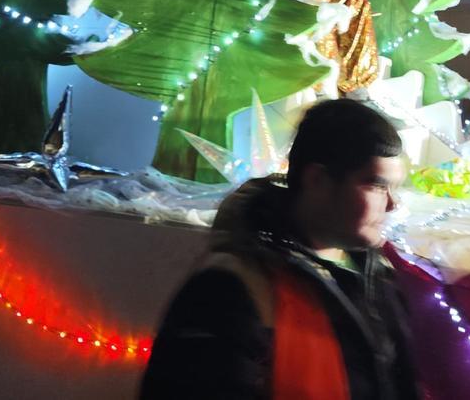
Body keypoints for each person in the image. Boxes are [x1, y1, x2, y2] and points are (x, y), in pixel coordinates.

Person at [141, 100, 419, 399]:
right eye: (376, 186)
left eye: (395, 188)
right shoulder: (230, 289)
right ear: (318, 180)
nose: (393, 204)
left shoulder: (379, 277)